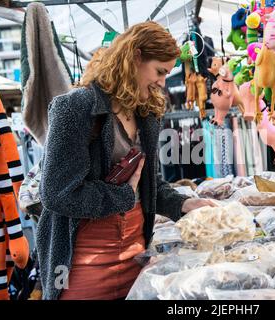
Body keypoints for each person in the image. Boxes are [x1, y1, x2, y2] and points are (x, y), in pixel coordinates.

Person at [36, 21, 216, 300]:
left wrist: (183, 204)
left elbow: (148, 183)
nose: (162, 82)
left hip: (135, 257)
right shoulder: (75, 108)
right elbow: (57, 194)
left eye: (167, 74)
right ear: (134, 57)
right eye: (159, 71)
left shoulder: (147, 111)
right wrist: (120, 197)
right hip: (82, 264)